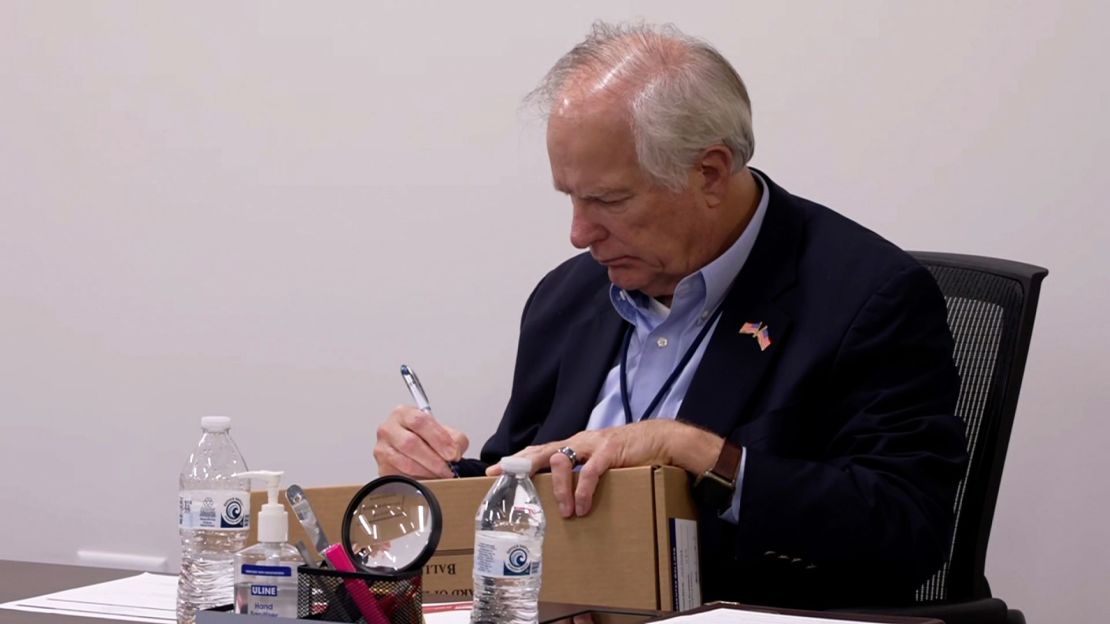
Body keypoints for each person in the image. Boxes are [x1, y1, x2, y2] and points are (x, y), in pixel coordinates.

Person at [374, 22, 967, 609]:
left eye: (608, 200)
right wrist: (443, 478)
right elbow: (534, 471)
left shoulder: (868, 298)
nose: (579, 234)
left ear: (708, 173)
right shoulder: (567, 300)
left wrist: (698, 454)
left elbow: (908, 528)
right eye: (571, 198)